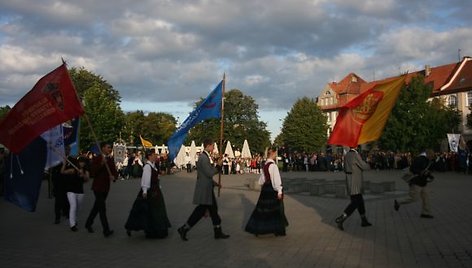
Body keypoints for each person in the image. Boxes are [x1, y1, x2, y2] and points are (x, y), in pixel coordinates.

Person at [177, 138, 230, 241]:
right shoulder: (203, 158)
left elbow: (206, 175)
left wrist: (215, 184)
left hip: (207, 188)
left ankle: (217, 231)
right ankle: (184, 228)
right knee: (201, 211)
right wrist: (218, 167)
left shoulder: (205, 157)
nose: (214, 148)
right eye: (213, 146)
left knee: (212, 210)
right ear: (208, 145)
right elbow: (209, 173)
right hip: (205, 189)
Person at [125, 149, 171, 238]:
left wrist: (159, 185)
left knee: (155, 210)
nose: (156, 156)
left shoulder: (153, 166)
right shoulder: (147, 167)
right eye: (154, 155)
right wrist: (145, 191)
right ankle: (144, 228)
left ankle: (156, 229)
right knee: (144, 210)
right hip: (150, 191)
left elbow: (155, 178)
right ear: (149, 156)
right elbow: (145, 179)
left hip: (155, 189)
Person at [245, 147, 288, 236]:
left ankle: (258, 228)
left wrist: (263, 186)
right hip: (272, 189)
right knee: (275, 209)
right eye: (275, 153)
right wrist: (279, 190)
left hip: (265, 189)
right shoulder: (273, 166)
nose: (276, 155)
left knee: (263, 209)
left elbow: (262, 179)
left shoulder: (265, 165)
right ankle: (276, 229)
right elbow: (276, 180)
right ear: (272, 154)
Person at [85, 142, 118, 237]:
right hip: (98, 187)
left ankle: (88, 223)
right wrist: (101, 164)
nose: (110, 149)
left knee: (97, 207)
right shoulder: (97, 158)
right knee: (102, 209)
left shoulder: (110, 159)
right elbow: (93, 172)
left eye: (110, 148)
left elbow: (114, 171)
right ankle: (106, 230)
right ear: (103, 148)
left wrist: (114, 177)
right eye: (108, 147)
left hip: (106, 188)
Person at [335, 147, 372, 231]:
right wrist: (369, 163)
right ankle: (342, 218)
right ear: (355, 146)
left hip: (349, 181)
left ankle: (364, 220)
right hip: (356, 182)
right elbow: (364, 166)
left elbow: (344, 169)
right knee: (355, 202)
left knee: (360, 201)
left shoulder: (347, 155)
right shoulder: (355, 155)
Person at [394, 149, 435, 218]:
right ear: (427, 154)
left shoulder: (429, 161)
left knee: (426, 198)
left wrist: (430, 176)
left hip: (423, 182)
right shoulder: (419, 159)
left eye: (432, 156)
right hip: (416, 182)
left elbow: (427, 171)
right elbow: (412, 169)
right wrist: (420, 172)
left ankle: (425, 213)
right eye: (431, 155)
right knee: (413, 198)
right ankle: (398, 202)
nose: (432, 157)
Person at [62, 155, 89, 232]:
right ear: (78, 162)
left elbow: (87, 180)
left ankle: (74, 219)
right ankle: (72, 225)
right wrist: (64, 164)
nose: (82, 164)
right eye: (81, 162)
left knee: (78, 208)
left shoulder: (85, 171)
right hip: (71, 191)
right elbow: (62, 172)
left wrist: (83, 175)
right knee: (73, 206)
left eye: (83, 162)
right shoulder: (73, 170)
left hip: (80, 192)